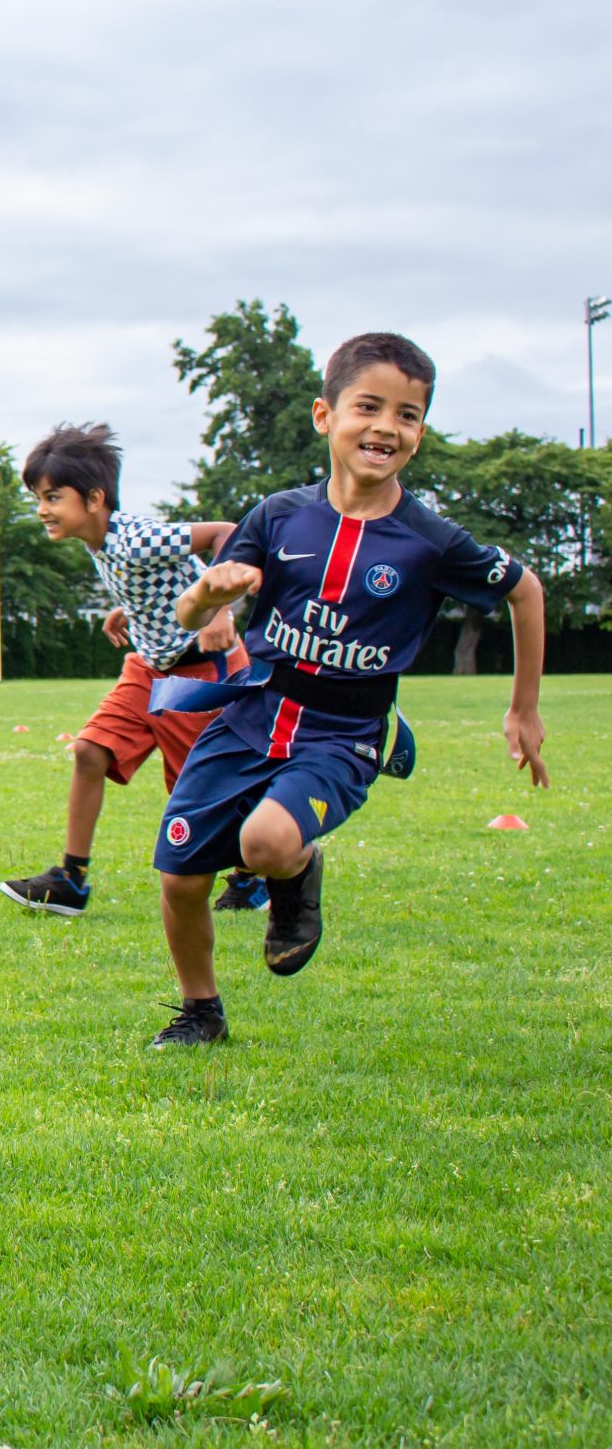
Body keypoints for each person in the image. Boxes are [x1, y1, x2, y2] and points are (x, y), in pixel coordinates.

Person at [147, 333, 547, 1048]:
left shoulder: (431, 541)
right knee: (179, 876)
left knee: (266, 841)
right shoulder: (277, 516)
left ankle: (296, 874)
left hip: (342, 734)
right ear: (324, 415)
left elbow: (525, 590)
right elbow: (191, 614)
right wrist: (210, 592)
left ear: (420, 433)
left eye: (409, 415)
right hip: (248, 717)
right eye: (369, 406)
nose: (387, 427)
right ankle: (199, 1011)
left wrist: (524, 708)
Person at [0, 424, 264, 915]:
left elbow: (227, 534)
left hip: (200, 674)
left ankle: (251, 878)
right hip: (149, 666)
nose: (41, 509)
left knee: (207, 790)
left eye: (53, 496)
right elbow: (162, 581)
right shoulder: (99, 542)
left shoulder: (135, 540)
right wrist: (132, 610)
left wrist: (222, 613)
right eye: (38, 496)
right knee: (89, 752)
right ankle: (70, 879)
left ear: (94, 498)